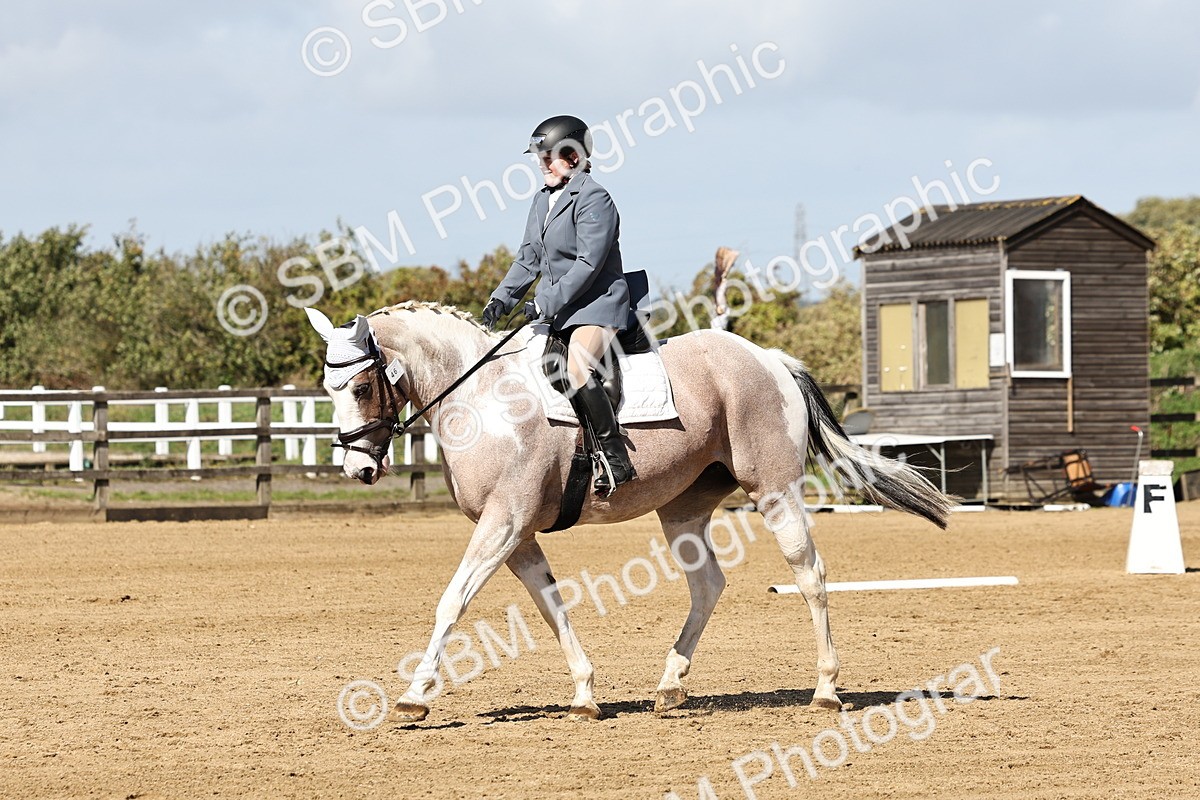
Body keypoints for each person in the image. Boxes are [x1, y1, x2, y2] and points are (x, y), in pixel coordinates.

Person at [481, 114, 636, 496]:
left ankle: (616, 458)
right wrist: (501, 298)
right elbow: (527, 258)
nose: (541, 164)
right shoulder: (541, 201)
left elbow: (588, 263)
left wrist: (542, 303)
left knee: (577, 367)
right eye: (540, 158)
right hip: (562, 312)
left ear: (573, 155)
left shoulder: (595, 198)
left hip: (598, 306)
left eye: (548, 157)